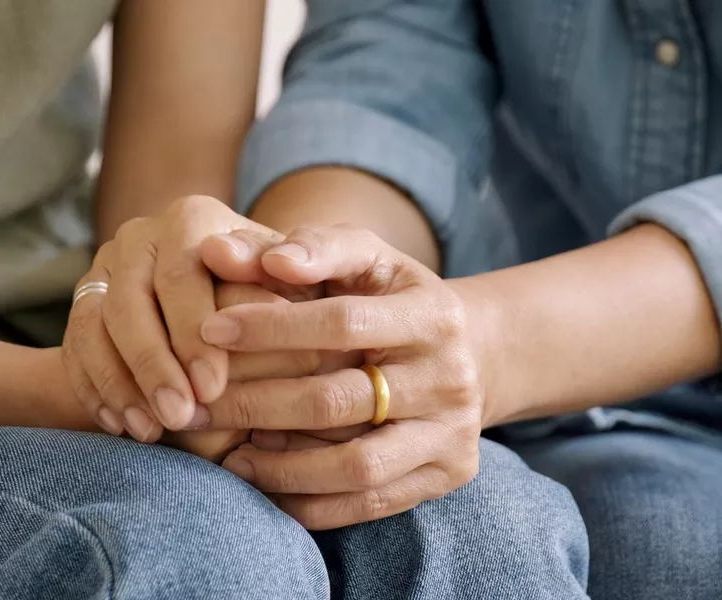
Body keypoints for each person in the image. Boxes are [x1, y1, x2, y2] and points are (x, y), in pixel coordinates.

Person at [63, 0, 722, 598]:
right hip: (561, 411)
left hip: (538, 359)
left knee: (665, 560)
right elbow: (385, 78)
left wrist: (480, 344)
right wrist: (309, 290)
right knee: (456, 519)